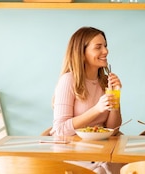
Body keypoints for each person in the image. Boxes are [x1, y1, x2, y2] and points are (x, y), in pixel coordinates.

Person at [51, 26, 123, 174]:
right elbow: (60, 130)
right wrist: (97, 109)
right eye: (98, 47)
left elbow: (113, 130)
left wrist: (115, 99)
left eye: (105, 46)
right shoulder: (68, 80)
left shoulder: (104, 81)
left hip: (102, 151)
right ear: (82, 54)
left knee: (133, 167)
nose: (105, 51)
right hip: (74, 154)